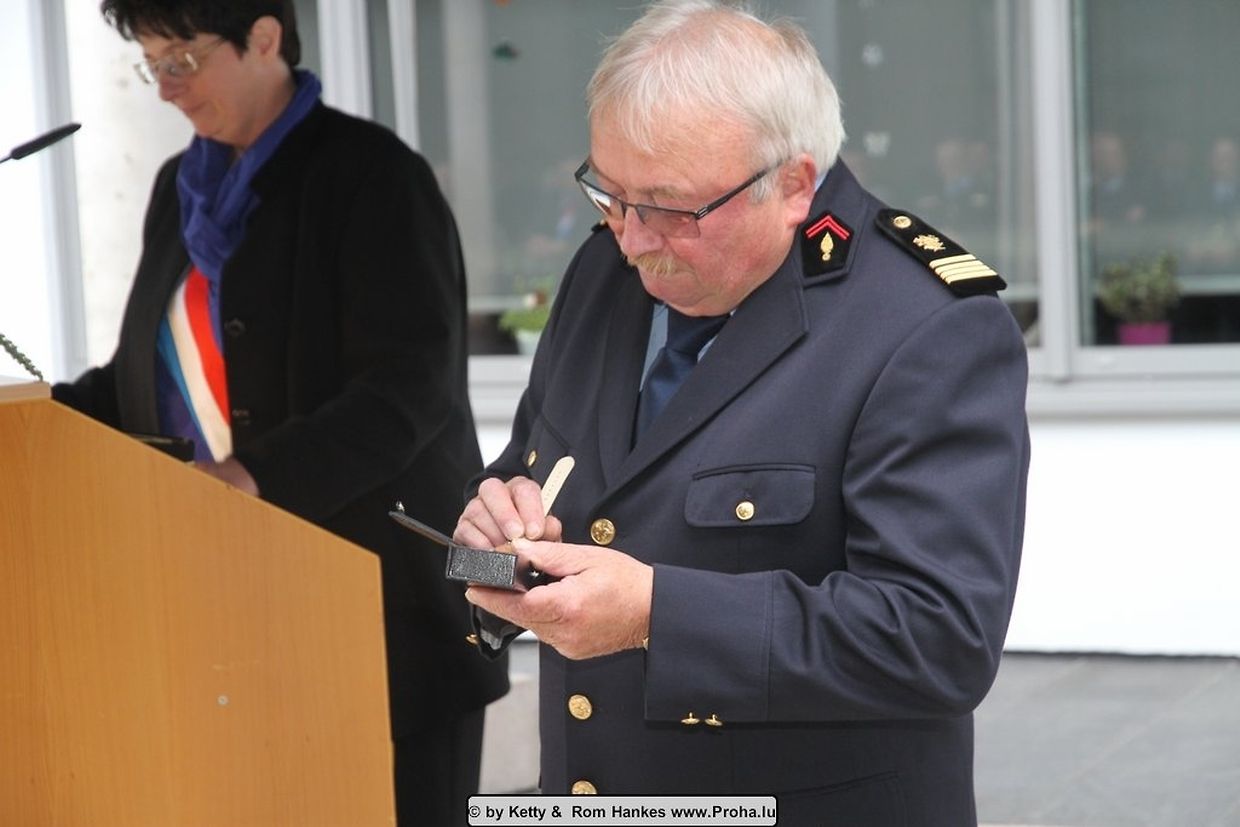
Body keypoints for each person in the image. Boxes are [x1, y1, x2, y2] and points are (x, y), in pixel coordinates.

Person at [454, 2, 1029, 824]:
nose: (632, 237)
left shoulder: (925, 324)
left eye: (669, 207)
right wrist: (491, 543)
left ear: (793, 184)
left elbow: (938, 639)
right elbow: (538, 473)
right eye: (609, 193)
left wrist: (656, 616)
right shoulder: (605, 272)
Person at [52, 2, 508, 823]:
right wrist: (40, 420)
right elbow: (150, 373)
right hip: (237, 610)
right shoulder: (180, 190)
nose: (165, 89)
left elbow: (406, 390)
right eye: (151, 66)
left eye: (181, 60)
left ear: (264, 38)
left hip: (386, 614)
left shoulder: (373, 174)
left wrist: (249, 477)